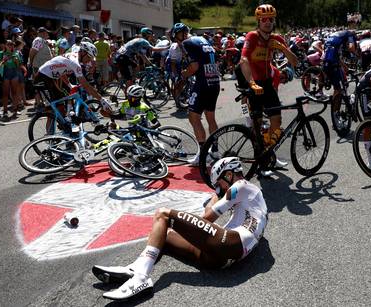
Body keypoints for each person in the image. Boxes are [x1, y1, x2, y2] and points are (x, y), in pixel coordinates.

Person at [92, 157, 268, 301]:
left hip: (228, 244)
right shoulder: (257, 203)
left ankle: (141, 277)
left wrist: (216, 196)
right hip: (220, 260)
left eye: (219, 183)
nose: (220, 189)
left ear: (229, 175)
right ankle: (135, 269)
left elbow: (207, 218)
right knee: (165, 236)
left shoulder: (241, 185)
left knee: (163, 215)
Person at [240, 4, 297, 176]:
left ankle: (269, 153)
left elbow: (295, 62)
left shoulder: (277, 39)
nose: (267, 22)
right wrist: (251, 82)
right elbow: (243, 59)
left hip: (267, 84)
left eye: (270, 19)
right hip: (252, 82)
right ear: (258, 21)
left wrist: (282, 48)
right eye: (264, 19)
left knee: (276, 122)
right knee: (255, 125)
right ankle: (260, 163)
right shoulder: (252, 36)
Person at [180, 35, 221, 166]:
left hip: (202, 83)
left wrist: (183, 74)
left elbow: (194, 66)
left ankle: (203, 154)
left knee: (193, 117)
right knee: (211, 118)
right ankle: (215, 151)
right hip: (214, 81)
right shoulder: (204, 40)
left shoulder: (186, 43)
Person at [34, 42, 110, 111]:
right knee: (52, 110)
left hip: (49, 77)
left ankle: (65, 122)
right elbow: (86, 85)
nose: (89, 60)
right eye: (89, 56)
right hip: (43, 77)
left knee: (61, 102)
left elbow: (62, 71)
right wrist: (101, 99)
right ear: (83, 52)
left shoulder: (75, 55)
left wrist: (69, 85)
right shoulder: (75, 62)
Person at [0, 40, 24, 121]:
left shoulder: (16, 53)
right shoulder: (1, 53)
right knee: (5, 93)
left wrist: (16, 61)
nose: (10, 46)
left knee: (14, 92)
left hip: (14, 73)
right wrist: (4, 60)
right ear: (5, 45)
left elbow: (19, 66)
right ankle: (5, 111)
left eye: (12, 44)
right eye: (8, 44)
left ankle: (15, 109)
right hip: (5, 73)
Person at [167, 23, 189, 108]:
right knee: (179, 82)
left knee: (184, 80)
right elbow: (173, 63)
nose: (186, 35)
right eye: (183, 33)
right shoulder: (174, 47)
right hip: (173, 65)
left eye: (186, 33)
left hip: (180, 63)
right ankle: (177, 101)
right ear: (176, 35)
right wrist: (175, 74)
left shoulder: (185, 42)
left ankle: (180, 96)